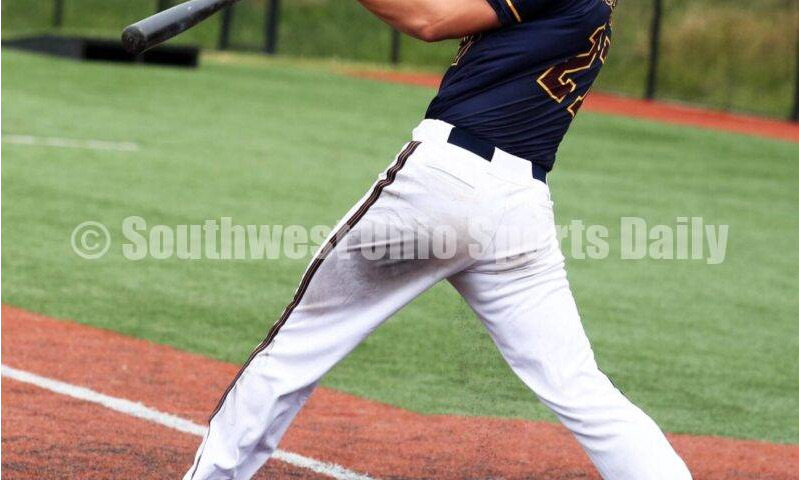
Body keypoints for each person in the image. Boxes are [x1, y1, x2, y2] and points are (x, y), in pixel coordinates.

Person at [185, 0, 693, 478]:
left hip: (444, 182)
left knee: (299, 344)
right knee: (579, 386)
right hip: (522, 212)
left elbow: (427, 17)